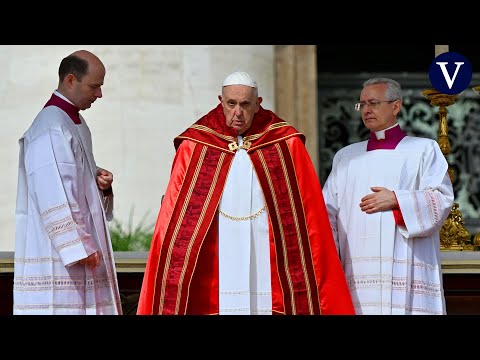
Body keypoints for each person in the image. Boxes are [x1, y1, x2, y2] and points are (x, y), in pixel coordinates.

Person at [137, 71, 354, 315]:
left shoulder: (284, 141)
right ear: (221, 101)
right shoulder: (197, 143)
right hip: (219, 243)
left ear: (258, 104)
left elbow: (307, 210)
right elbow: (177, 215)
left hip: (264, 242)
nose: (237, 112)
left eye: (245, 105)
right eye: (231, 104)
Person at [322, 77, 454, 315]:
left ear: (396, 106)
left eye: (373, 102)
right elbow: (326, 212)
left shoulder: (424, 149)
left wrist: (397, 200)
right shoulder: (345, 157)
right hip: (357, 272)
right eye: (362, 104)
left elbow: (442, 199)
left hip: (407, 267)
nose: (367, 110)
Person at [14, 50, 122, 315]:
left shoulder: (74, 121)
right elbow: (52, 191)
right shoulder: (50, 126)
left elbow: (70, 180)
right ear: (71, 80)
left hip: (81, 252)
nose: (99, 95)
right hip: (62, 258)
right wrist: (78, 245)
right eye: (94, 87)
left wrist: (98, 183)